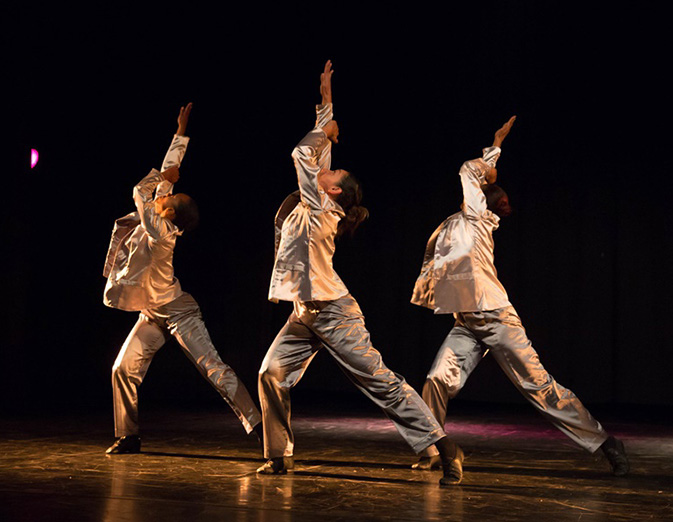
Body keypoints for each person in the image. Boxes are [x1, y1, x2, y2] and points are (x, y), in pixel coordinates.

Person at [257, 61, 465, 486]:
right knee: (270, 373)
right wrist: (327, 97)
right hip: (304, 313)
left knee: (382, 384)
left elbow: (304, 153)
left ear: (333, 190)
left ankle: (446, 447)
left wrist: (323, 133)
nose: (324, 170)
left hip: (335, 314)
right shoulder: (321, 197)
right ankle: (279, 455)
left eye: (330, 174)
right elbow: (320, 153)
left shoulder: (320, 205)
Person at [410, 116, 629, 476]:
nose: (507, 203)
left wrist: (491, 158)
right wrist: (494, 151)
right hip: (466, 321)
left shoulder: (479, 220)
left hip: (496, 318)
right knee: (437, 379)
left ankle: (607, 443)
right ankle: (435, 449)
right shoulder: (466, 217)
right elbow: (474, 180)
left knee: (540, 389)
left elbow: (469, 170)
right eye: (504, 198)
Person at [103, 103, 262, 454]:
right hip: (152, 311)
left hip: (179, 312)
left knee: (213, 369)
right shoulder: (160, 218)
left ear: (170, 211)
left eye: (169, 197)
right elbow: (167, 174)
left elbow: (140, 191)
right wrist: (180, 134)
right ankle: (128, 435)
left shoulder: (160, 231)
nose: (165, 195)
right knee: (123, 368)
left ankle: (261, 425)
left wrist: (163, 180)